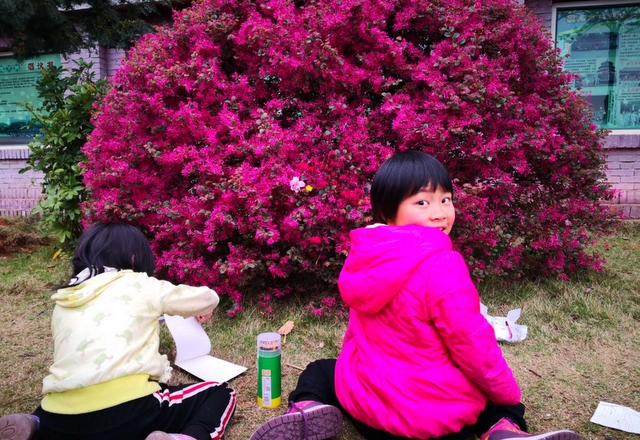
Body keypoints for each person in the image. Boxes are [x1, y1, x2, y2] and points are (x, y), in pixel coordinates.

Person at [249, 150, 582, 440]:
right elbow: (473, 345)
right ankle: (504, 429)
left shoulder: (366, 255)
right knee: (500, 399)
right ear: (388, 212)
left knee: (322, 371)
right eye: (422, 202)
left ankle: (307, 407)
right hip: (437, 425)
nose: (439, 212)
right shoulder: (443, 264)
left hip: (370, 416)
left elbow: (359, 336)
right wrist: (507, 393)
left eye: (445, 199)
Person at [0, 222, 236, 440]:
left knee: (60, 413)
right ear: (134, 256)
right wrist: (205, 307)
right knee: (219, 393)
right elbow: (206, 298)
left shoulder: (65, 298)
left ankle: (35, 424)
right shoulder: (139, 283)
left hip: (58, 417)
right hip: (129, 412)